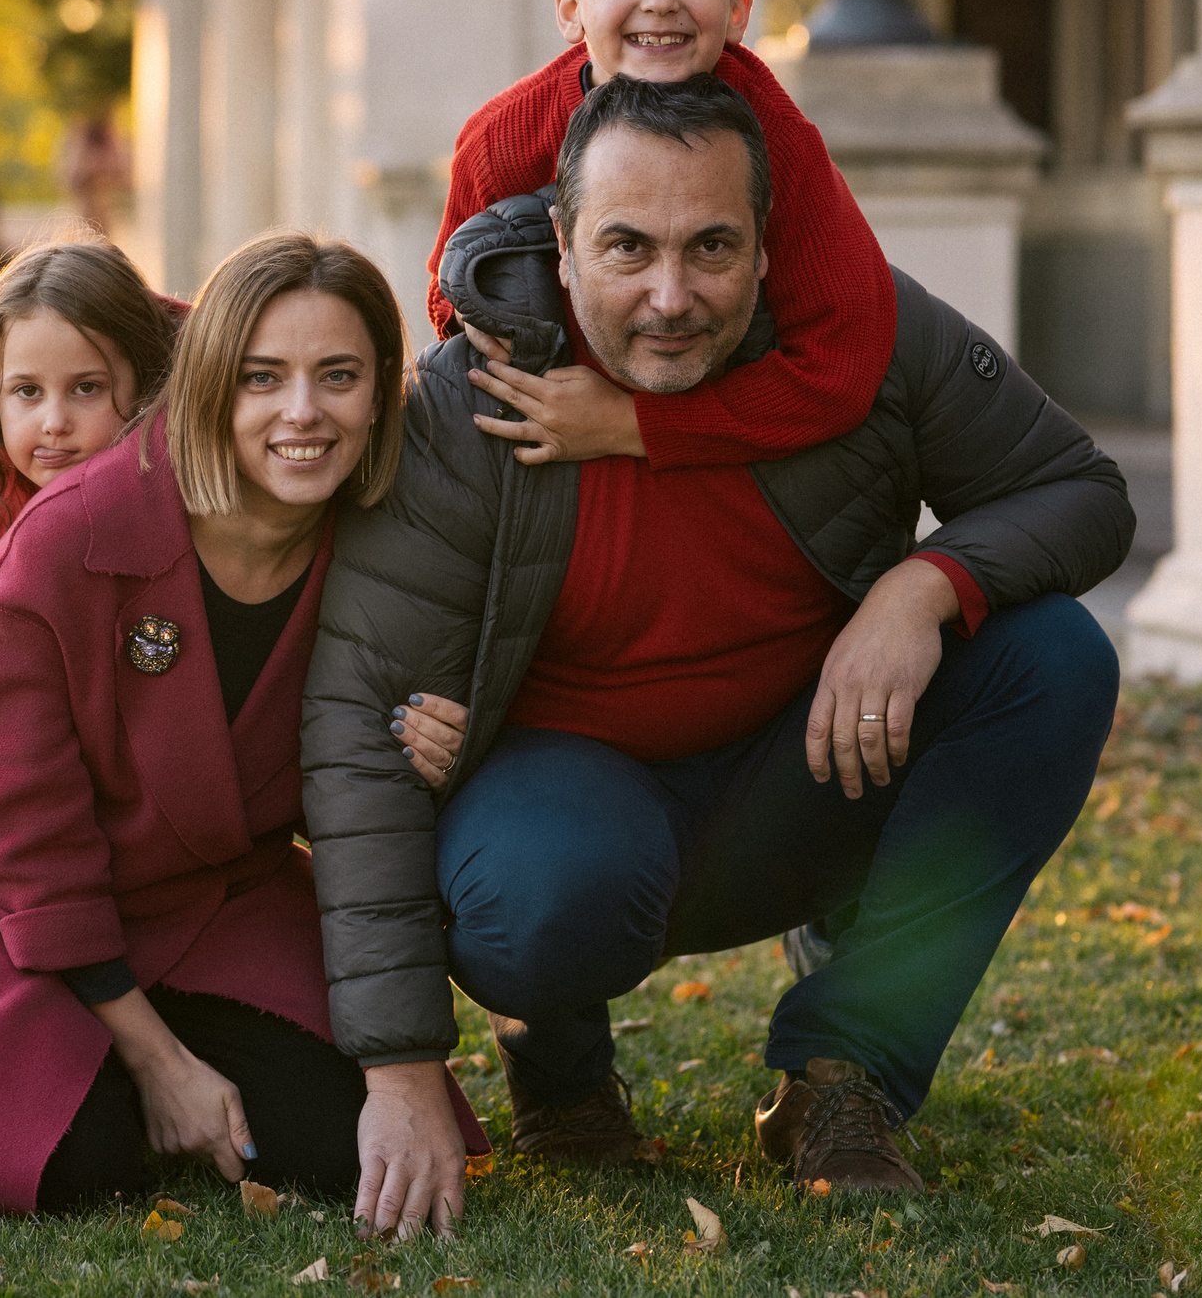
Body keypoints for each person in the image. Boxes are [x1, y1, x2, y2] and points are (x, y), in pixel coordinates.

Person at [300, 76, 1133, 1220]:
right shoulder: (465, 406)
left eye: (711, 248)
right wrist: (397, 1064)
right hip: (566, 814)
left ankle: (844, 1072)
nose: (670, 294)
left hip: (807, 770)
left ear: (766, 244)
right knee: (538, 892)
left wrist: (922, 586)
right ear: (561, 237)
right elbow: (355, 730)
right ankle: (558, 1059)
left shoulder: (863, 342)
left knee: (1055, 658)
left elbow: (1077, 489)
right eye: (627, 247)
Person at [0, 233, 485, 1228]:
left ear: (380, 388)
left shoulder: (375, 527)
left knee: (337, 1142)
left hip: (200, 894)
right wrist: (161, 1064)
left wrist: (438, 737)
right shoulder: (64, 534)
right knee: (60, 1154)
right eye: (262, 377)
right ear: (212, 386)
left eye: (336, 376)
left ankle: (105, 1046)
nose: (301, 412)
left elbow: (363, 764)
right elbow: (20, 836)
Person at [421, 0, 896, 474]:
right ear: (570, 8)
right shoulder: (502, 141)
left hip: (736, 466)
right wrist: (490, 331)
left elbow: (841, 364)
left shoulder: (776, 137)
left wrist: (632, 425)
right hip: (550, 473)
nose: (660, 0)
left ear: (738, 8)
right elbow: (452, 289)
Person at [0, 237, 179, 661]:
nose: (54, 423)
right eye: (28, 391)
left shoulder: (181, 483)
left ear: (144, 385)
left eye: (86, 387)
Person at [59, 108, 130, 237]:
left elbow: (124, 175)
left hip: (107, 212)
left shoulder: (110, 139)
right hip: (85, 211)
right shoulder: (79, 138)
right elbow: (71, 176)